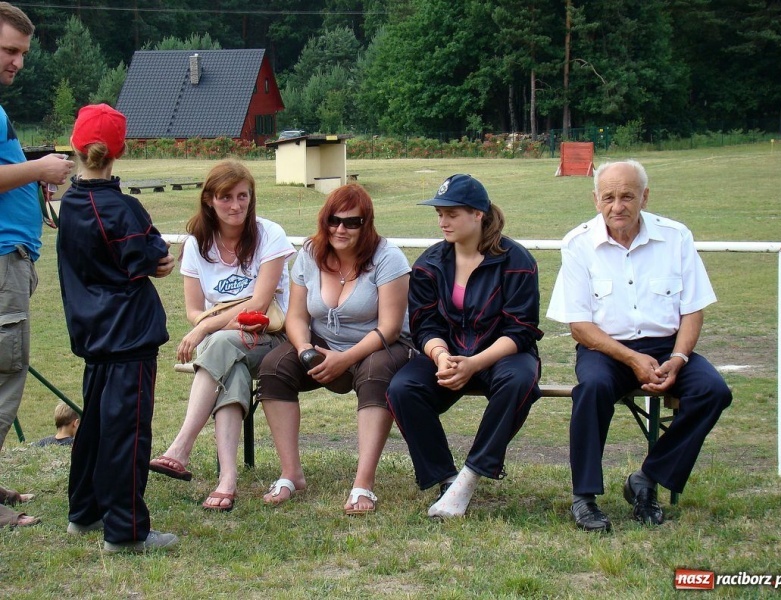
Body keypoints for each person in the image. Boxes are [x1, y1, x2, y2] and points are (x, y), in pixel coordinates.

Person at [546, 159, 732, 532]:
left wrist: (678, 358)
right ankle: (584, 498)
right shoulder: (578, 243)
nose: (618, 206)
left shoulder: (676, 237)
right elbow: (579, 326)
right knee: (592, 388)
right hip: (605, 350)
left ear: (644, 197)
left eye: (627, 196)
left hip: (668, 348)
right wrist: (632, 359)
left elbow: (693, 309)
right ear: (595, 200)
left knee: (713, 391)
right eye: (608, 197)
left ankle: (646, 479)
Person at [57, 104, 178, 552]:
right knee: (127, 432)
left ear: (76, 146)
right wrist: (157, 259)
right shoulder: (123, 209)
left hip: (93, 333)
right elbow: (152, 254)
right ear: (118, 151)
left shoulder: (69, 205)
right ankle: (126, 531)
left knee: (93, 425)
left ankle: (84, 511)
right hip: (129, 335)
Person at [386, 174, 543, 519]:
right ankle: (445, 478)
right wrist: (441, 356)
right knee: (402, 388)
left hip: (503, 353)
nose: (443, 222)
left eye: (452, 214)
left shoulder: (516, 261)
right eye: (439, 214)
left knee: (519, 381)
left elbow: (521, 330)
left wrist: (475, 363)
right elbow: (425, 325)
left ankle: (470, 477)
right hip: (450, 351)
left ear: (478, 214)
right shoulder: (429, 263)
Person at [258, 183, 413, 515]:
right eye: (334, 220)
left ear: (366, 224)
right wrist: (304, 349)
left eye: (352, 222)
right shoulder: (310, 254)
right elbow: (296, 316)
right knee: (274, 367)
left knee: (375, 373)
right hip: (322, 343)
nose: (340, 229)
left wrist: (345, 359)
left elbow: (389, 327)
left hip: (379, 344)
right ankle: (291, 473)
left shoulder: (388, 257)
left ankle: (363, 485)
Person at [149, 160, 294, 512]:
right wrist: (214, 325)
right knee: (233, 369)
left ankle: (181, 447)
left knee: (219, 344)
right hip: (227, 342)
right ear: (209, 200)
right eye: (225, 197)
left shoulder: (270, 234)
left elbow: (260, 304)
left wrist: (207, 327)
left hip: (271, 338)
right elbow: (192, 310)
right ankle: (227, 480)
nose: (235, 205)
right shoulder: (197, 245)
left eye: (242, 196)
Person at [0, 2, 74, 529]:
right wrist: (39, 168)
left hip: (14, 258)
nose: (18, 62)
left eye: (22, 53)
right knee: (5, 372)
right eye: (9, 50)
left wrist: (29, 175)